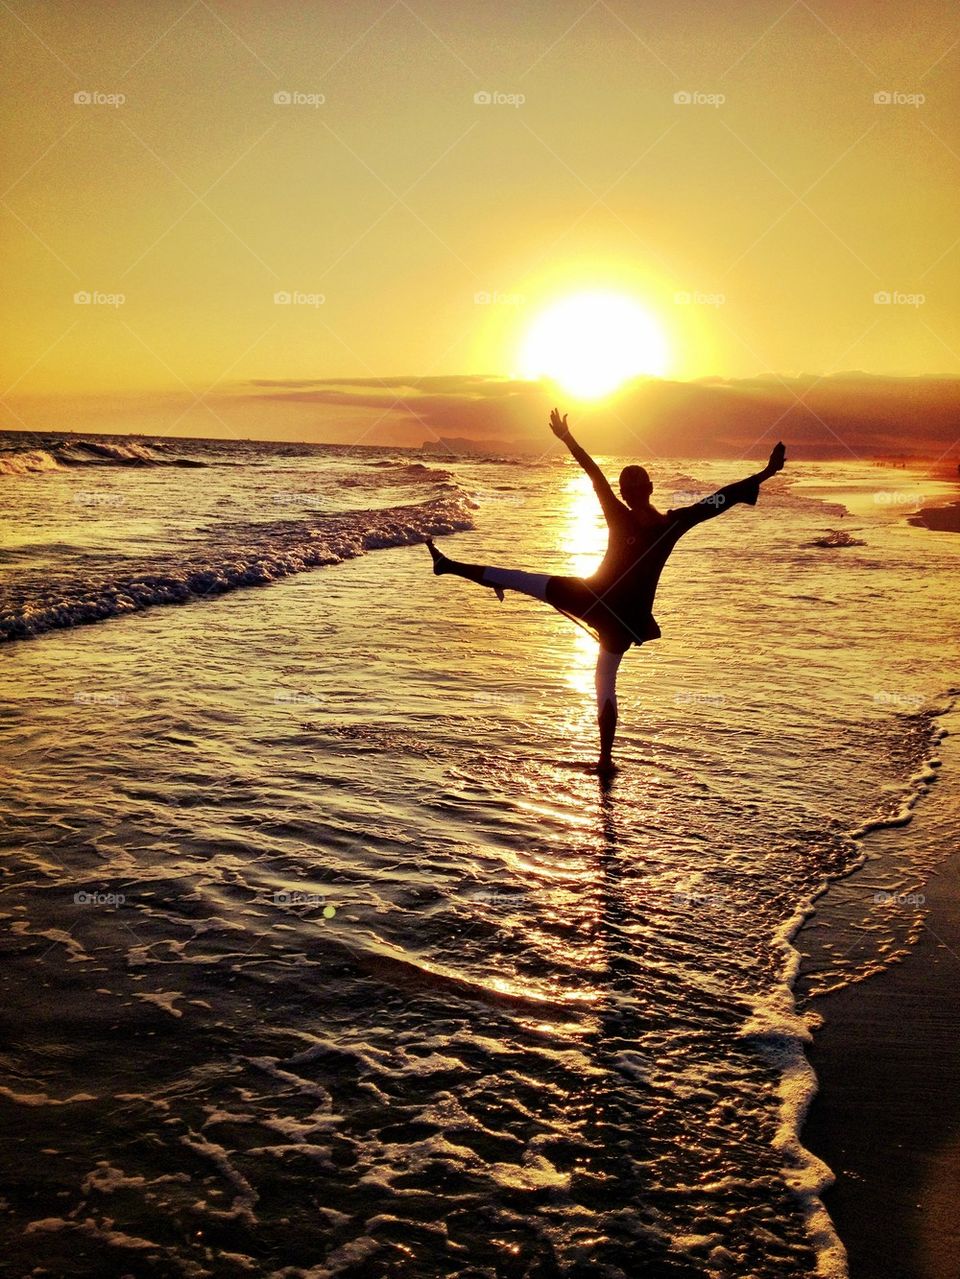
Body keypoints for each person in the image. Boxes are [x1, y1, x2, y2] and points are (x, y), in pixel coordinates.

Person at [427, 409, 786, 774]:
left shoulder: (646, 518)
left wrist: (567, 438)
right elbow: (719, 498)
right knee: (601, 678)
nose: (629, 492)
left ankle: (450, 567)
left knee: (525, 584)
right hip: (620, 615)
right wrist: (766, 473)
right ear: (641, 491)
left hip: (597, 600)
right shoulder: (668, 521)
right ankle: (605, 762)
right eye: (628, 488)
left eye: (631, 487)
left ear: (642, 491)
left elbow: (603, 478)